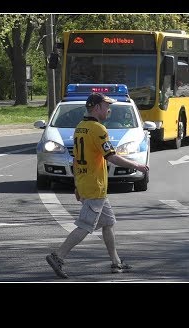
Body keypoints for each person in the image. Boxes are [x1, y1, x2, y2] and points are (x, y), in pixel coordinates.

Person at [46, 92, 149, 279]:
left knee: (108, 223)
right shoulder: (98, 129)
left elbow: (76, 160)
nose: (108, 109)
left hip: (87, 183)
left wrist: (77, 184)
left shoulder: (80, 128)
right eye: (106, 105)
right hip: (95, 186)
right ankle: (58, 256)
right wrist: (138, 165)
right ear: (96, 107)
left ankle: (116, 262)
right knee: (85, 226)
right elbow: (112, 157)